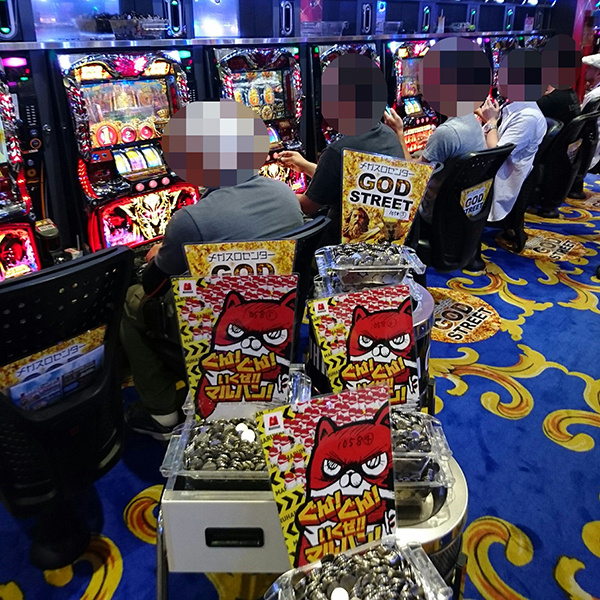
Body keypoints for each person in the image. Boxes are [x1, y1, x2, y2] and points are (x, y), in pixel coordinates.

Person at [121, 174, 304, 439]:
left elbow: (153, 286)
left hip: (218, 326)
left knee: (129, 301)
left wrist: (158, 255)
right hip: (282, 317)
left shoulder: (190, 219)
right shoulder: (283, 192)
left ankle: (162, 413)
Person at [276, 121, 404, 237]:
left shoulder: (338, 150)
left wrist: (272, 191)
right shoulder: (388, 134)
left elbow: (308, 206)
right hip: (388, 239)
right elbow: (345, 180)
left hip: (346, 244)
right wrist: (305, 166)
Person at [383, 108, 487, 223]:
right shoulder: (472, 120)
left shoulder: (446, 133)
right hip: (462, 208)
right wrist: (433, 142)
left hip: (435, 212)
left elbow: (414, 173)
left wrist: (398, 133)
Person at [477, 97, 547, 223]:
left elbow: (495, 155)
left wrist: (491, 121)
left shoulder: (528, 117)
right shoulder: (514, 104)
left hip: (498, 179)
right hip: (490, 169)